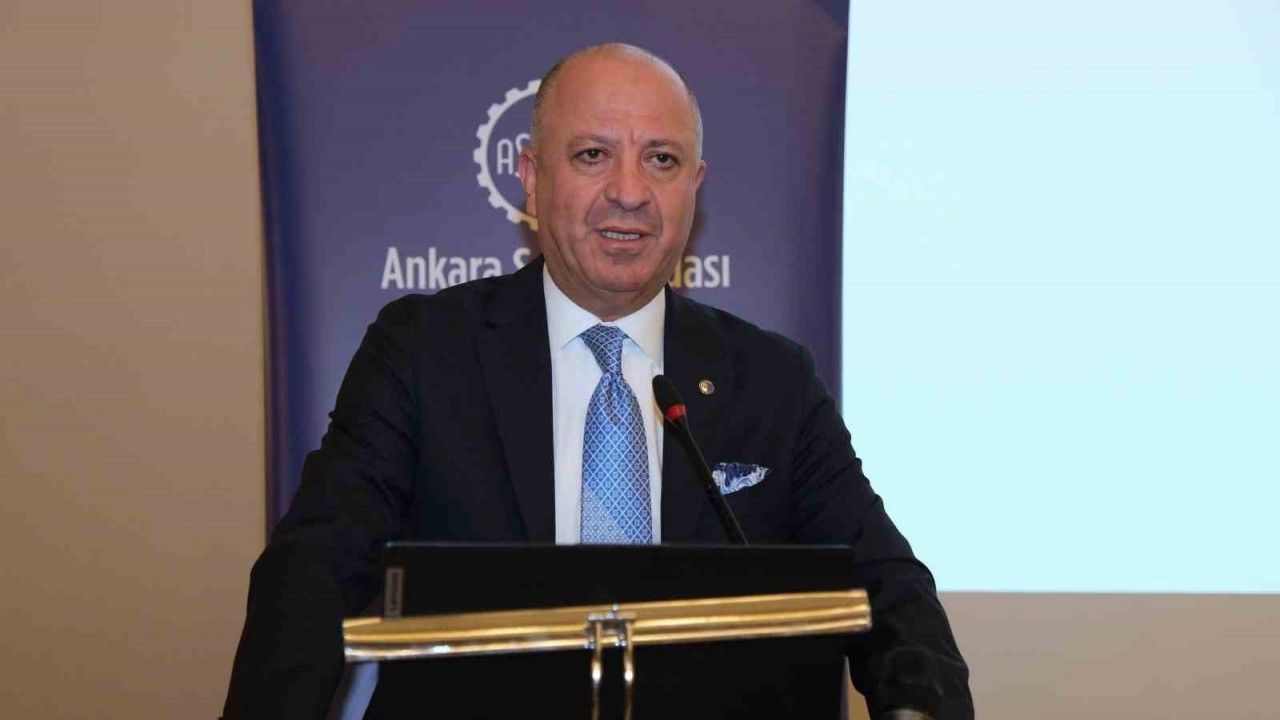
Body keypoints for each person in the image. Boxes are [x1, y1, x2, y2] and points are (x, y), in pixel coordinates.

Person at [224, 43, 972, 719]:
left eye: (662, 160)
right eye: (592, 155)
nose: (630, 191)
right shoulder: (424, 351)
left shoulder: (773, 379)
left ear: (695, 188)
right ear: (530, 178)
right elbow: (313, 571)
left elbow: (886, 585)